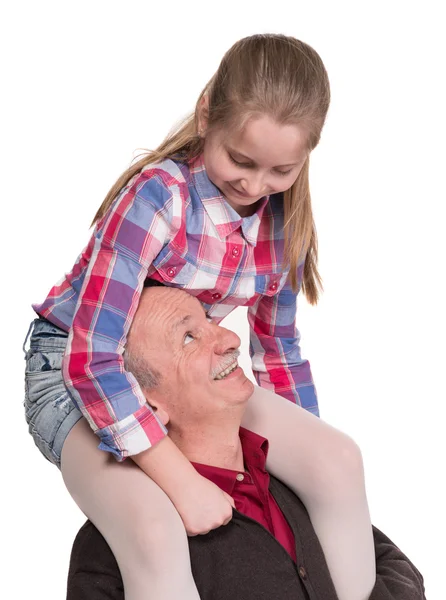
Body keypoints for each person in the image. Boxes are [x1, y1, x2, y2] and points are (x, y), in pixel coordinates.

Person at [24, 34, 375, 600]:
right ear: (209, 110)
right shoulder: (158, 197)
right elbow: (93, 356)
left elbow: (278, 350)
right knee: (155, 526)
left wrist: (298, 449)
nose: (254, 186)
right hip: (72, 371)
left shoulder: (285, 227)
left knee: (336, 461)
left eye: (280, 170)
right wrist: (179, 479)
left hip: (177, 369)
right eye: (240, 160)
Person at [67, 286, 426, 600]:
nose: (230, 339)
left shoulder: (296, 479)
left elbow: (388, 562)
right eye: (189, 338)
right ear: (143, 404)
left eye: (209, 321)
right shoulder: (120, 537)